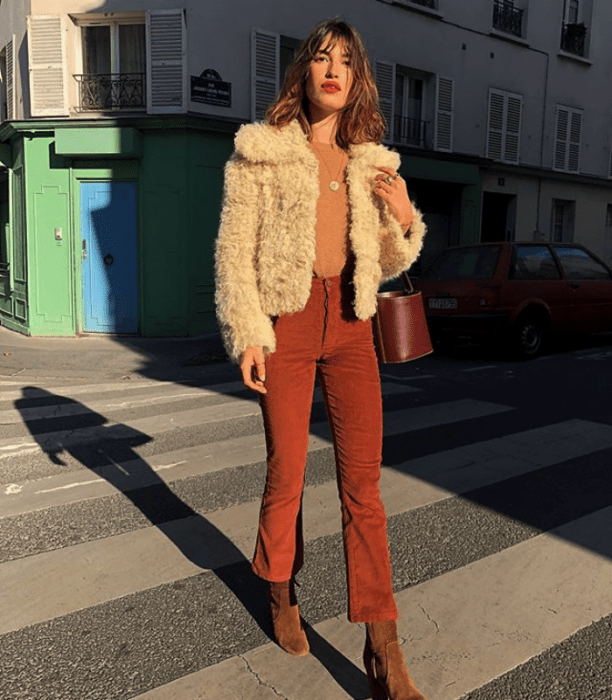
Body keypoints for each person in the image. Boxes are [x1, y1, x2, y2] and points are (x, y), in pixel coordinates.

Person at [215, 18, 428, 700]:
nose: (332, 69)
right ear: (303, 73)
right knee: (286, 471)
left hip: (353, 325)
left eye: (345, 61)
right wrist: (249, 330)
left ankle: (385, 652)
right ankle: (279, 590)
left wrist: (403, 217)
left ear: (357, 78)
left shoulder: (371, 161)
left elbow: (390, 261)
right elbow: (233, 251)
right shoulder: (264, 151)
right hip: (290, 319)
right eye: (320, 59)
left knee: (364, 490)